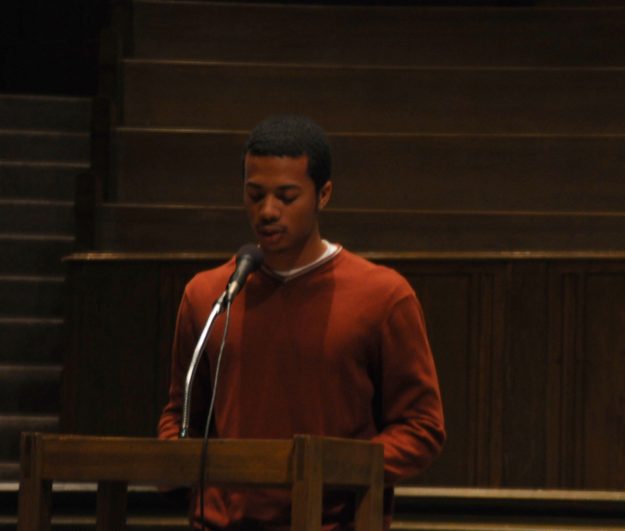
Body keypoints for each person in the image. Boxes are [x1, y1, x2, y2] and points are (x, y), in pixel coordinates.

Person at [158, 115, 446, 530]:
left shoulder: (383, 296)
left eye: (286, 196)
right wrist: (176, 459)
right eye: (254, 195)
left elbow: (422, 427)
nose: (267, 211)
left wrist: (337, 470)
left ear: (323, 194)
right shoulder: (209, 296)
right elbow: (181, 415)